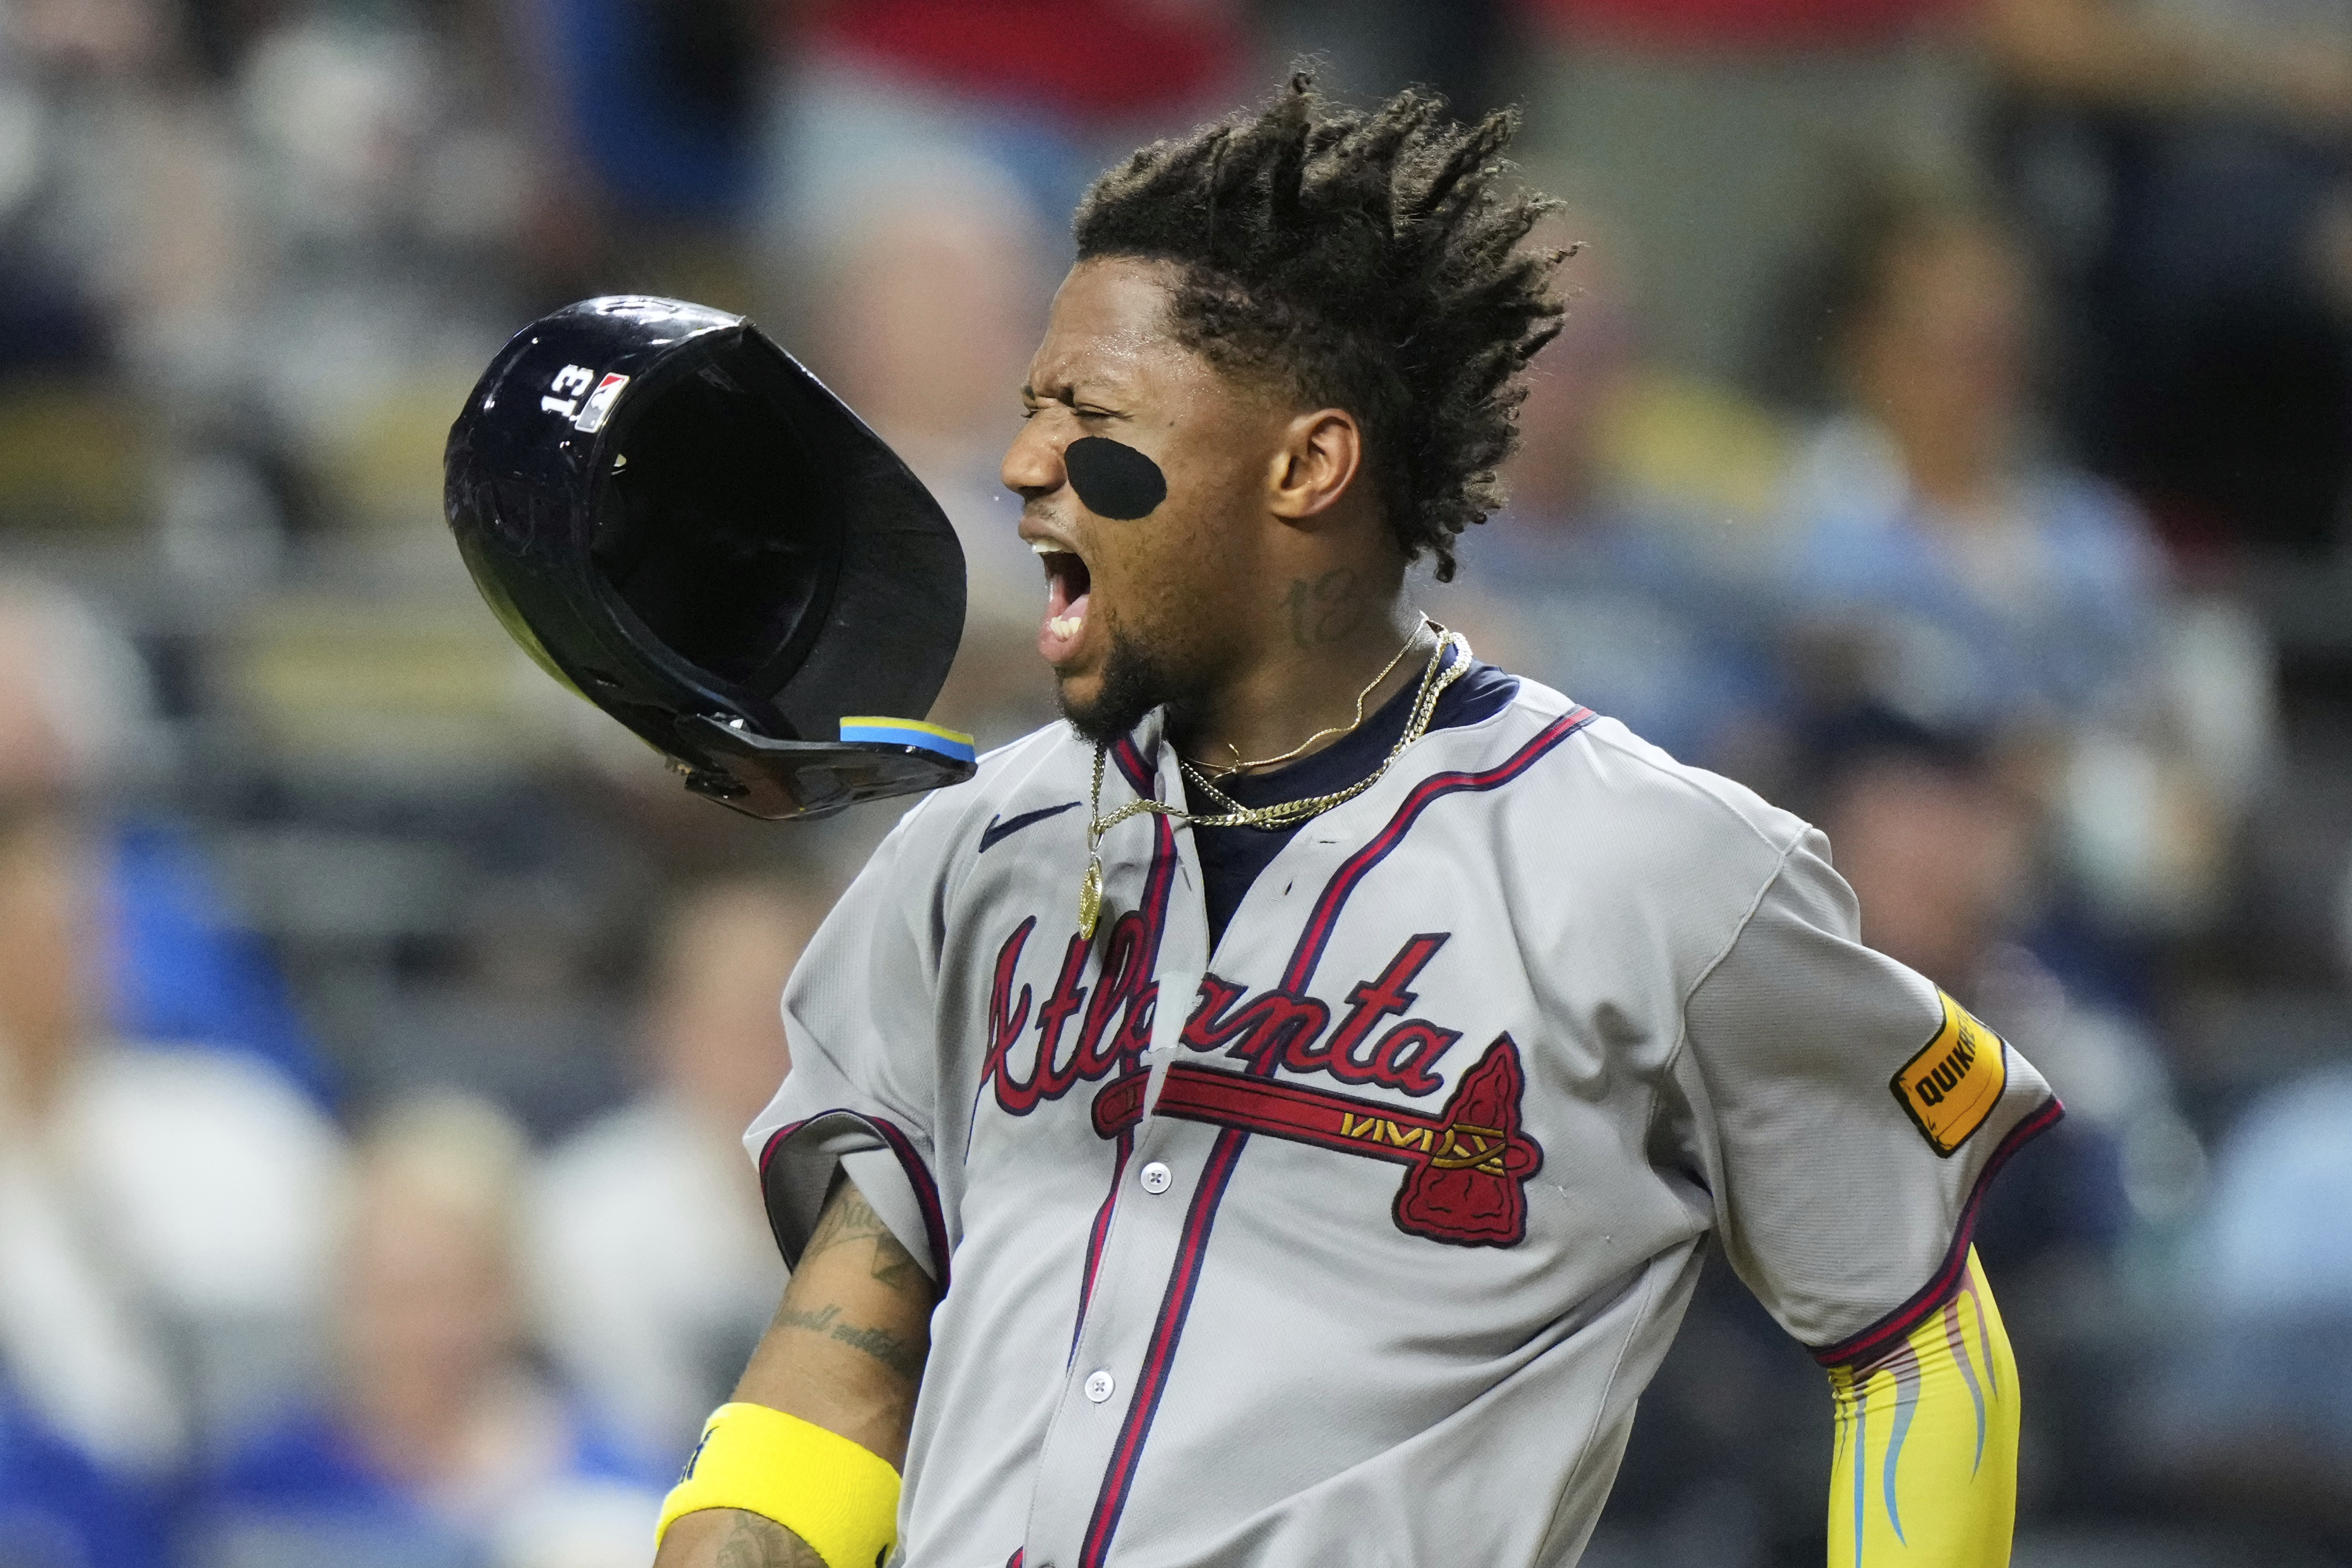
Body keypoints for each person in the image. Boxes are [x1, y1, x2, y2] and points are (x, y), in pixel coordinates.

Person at [653, 79, 2060, 1568]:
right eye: (1028, 413)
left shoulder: (1651, 866)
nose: (1024, 467)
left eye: (1096, 422)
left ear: (1306, 466)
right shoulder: (969, 856)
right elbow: (837, 1364)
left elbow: (1914, 1333)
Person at [193, 1094, 664, 1568]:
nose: (429, 1328)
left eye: (462, 1290)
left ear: (516, 1289)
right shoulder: (262, 1491)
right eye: (398, 1293)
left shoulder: (618, 1479)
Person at [532, 879, 821, 1460]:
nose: (771, 1052)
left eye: (795, 1022)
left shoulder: (906, 1197)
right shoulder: (576, 1213)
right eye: (741, 1021)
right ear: (664, 1029)